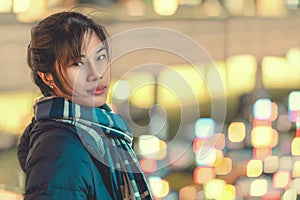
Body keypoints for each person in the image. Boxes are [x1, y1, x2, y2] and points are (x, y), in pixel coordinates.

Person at [17, 11, 152, 200]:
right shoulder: (60, 148)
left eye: (100, 57)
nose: (96, 74)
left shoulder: (99, 131)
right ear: (47, 76)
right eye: (78, 64)